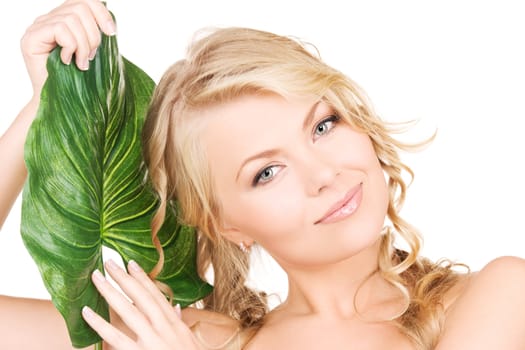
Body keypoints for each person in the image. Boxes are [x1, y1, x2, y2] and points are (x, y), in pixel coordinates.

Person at [1, 0, 525, 349]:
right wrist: (48, 109)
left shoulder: (500, 294)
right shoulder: (194, 338)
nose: (323, 173)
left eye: (323, 124)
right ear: (227, 224)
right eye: (267, 172)